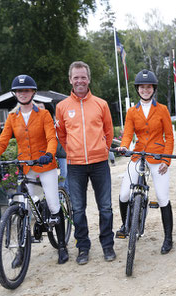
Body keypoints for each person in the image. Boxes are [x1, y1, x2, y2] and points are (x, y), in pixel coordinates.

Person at [0, 74, 69, 264]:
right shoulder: (12, 117)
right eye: (19, 91)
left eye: (26, 90)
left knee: (53, 204)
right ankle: (21, 251)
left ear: (33, 92)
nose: (23, 93)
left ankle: (61, 245)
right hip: (25, 168)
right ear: (15, 94)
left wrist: (49, 154)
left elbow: (52, 138)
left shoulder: (43, 114)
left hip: (45, 165)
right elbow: (2, 142)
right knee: (23, 207)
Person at [56, 61, 115, 265]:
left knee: (105, 207)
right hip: (75, 166)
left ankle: (107, 245)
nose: (79, 81)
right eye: (76, 77)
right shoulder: (61, 107)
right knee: (78, 209)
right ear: (70, 80)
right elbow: (61, 134)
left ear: (88, 79)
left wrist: (103, 149)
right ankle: (83, 247)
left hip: (99, 163)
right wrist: (72, 150)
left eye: (83, 77)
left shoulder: (101, 104)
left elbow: (108, 131)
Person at [115, 69, 175, 254]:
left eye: (148, 87)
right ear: (138, 89)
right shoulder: (132, 111)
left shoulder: (162, 109)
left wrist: (166, 160)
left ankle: (168, 238)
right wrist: (124, 146)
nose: (145, 90)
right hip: (138, 154)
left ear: (153, 89)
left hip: (157, 156)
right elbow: (127, 133)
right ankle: (126, 225)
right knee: (124, 194)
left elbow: (170, 136)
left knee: (163, 197)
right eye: (142, 87)